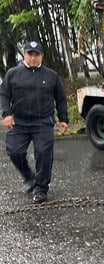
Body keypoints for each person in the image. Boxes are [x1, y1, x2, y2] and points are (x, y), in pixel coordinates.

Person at [0, 41, 69, 204]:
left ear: (41, 56)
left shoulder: (51, 75)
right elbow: (3, 94)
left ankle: (41, 189)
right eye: (30, 54)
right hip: (20, 122)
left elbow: (61, 98)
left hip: (43, 122)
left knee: (44, 154)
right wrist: (6, 114)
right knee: (14, 151)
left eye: (36, 54)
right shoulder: (13, 73)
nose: (33, 58)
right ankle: (29, 177)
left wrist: (64, 119)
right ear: (24, 55)